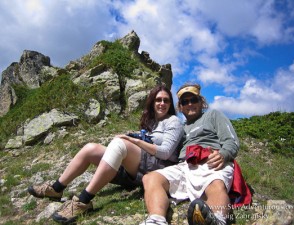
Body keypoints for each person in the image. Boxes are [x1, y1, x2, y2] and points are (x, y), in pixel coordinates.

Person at [27, 84, 184, 224]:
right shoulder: (151, 122)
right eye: (158, 100)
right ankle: (56, 188)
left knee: (120, 145)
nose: (162, 103)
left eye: (166, 100)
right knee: (91, 148)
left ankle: (83, 201)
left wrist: (133, 141)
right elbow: (146, 137)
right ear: (152, 102)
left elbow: (165, 153)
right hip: (139, 166)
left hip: (158, 169)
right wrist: (131, 135)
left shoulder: (173, 122)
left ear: (170, 104)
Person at [140, 83, 239, 225]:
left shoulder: (213, 115)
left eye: (194, 100)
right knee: (151, 178)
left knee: (215, 185)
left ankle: (218, 219)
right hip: (185, 166)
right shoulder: (181, 127)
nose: (190, 104)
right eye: (185, 102)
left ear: (201, 102)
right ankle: (156, 220)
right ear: (180, 107)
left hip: (210, 160)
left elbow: (231, 141)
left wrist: (223, 154)